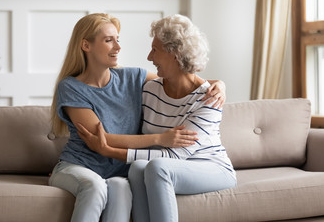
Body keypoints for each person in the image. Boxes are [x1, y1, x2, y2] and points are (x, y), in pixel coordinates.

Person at [49, 13, 226, 222]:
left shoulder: (132, 77)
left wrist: (220, 84)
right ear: (86, 45)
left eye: (118, 40)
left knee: (121, 187)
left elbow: (182, 76)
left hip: (119, 171)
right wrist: (159, 139)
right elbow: (102, 138)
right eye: (108, 40)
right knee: (94, 186)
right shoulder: (71, 87)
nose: (118, 46)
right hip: (79, 166)